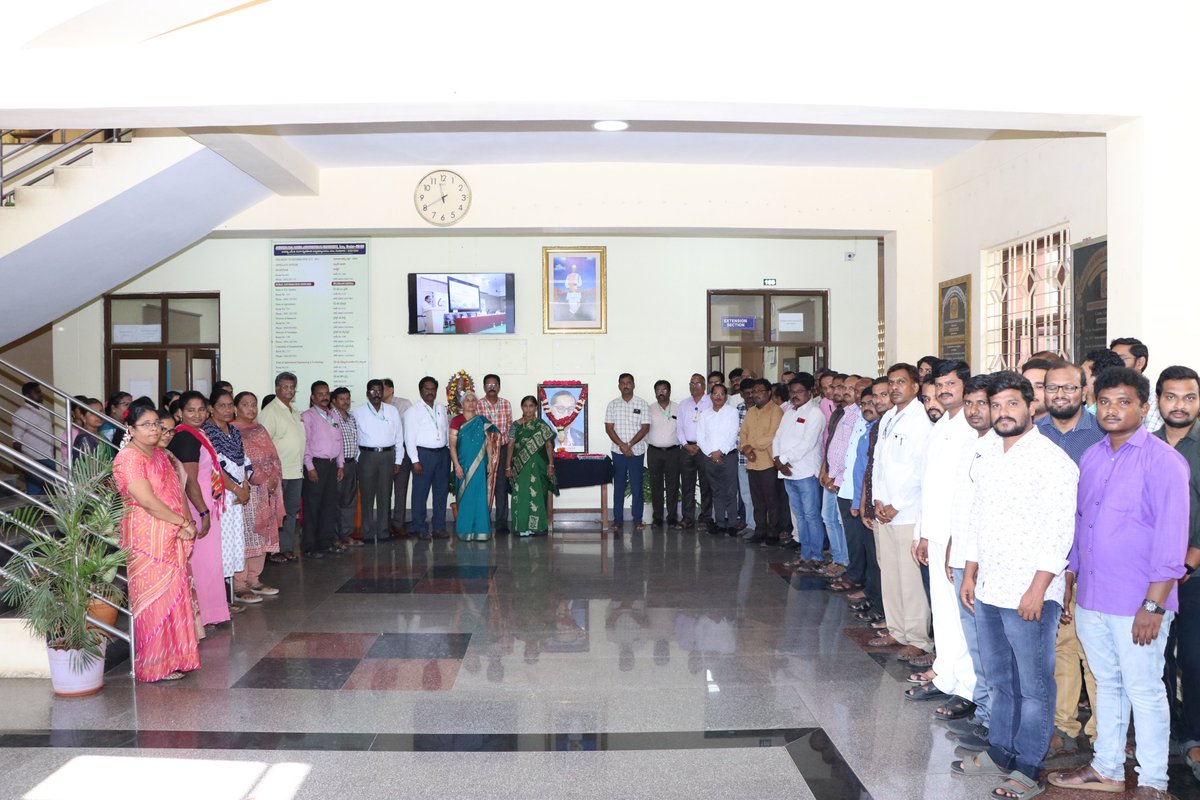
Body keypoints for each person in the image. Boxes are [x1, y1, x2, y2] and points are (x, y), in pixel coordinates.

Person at [1050, 366, 1189, 799]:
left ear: (1144, 409)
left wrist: (1154, 605)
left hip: (1138, 602)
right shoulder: (1092, 456)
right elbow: (1081, 524)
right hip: (1092, 596)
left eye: (1124, 402)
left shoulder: (1164, 461)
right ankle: (1107, 768)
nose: (1112, 410)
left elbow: (1171, 538)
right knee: (1107, 684)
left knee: (1144, 690)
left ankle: (1153, 781)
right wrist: (1070, 581)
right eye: (1105, 401)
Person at [957, 371, 1078, 800]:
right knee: (999, 679)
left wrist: (1038, 588)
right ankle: (1001, 750)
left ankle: (1028, 766)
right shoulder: (989, 452)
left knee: (1034, 686)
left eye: (1012, 403)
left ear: (1031, 406)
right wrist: (970, 571)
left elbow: (1060, 531)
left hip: (1029, 592)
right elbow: (978, 516)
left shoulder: (1052, 460)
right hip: (990, 586)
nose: (1003, 412)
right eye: (996, 405)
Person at [1035, 359, 1105, 756]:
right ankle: (1062, 724)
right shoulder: (1034, 434)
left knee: (1093, 649)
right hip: (1048, 558)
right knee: (1059, 644)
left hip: (1093, 558)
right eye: (1053, 388)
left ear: (1084, 392)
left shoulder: (1101, 435)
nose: (1060, 395)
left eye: (1069, 388)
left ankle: (1102, 732)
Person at [112, 402, 201, 683]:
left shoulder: (161, 455)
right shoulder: (128, 458)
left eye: (156, 424)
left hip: (172, 533)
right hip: (147, 539)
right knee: (154, 601)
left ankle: (177, 657)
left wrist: (187, 523)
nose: (153, 429)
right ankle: (154, 664)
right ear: (130, 429)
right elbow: (148, 502)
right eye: (146, 425)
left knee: (175, 597)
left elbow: (176, 492)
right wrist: (182, 522)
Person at [906, 361, 977, 700]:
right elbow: (929, 484)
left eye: (951, 383)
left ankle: (967, 688)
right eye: (940, 385)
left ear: (965, 386)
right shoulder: (940, 425)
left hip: (955, 538)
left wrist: (955, 540)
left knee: (960, 614)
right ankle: (946, 676)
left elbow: (966, 491)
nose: (945, 390)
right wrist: (921, 533)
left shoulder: (971, 427)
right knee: (943, 612)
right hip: (934, 534)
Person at [1153, 366, 1200, 783]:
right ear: (1158, 400)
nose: (1180, 405)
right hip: (1152, 576)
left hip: (1193, 577)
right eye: (1171, 396)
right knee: (1156, 658)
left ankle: (1193, 735)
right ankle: (1164, 730)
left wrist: (1191, 557)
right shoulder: (1145, 446)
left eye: (1189, 397)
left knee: (1194, 657)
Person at [870, 363, 933, 662]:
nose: (894, 387)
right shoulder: (888, 418)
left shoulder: (921, 420)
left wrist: (895, 504)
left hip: (907, 512)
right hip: (884, 510)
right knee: (890, 573)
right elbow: (879, 464)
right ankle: (896, 630)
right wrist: (878, 499)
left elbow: (918, 470)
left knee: (909, 579)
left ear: (915, 387)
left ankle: (918, 638)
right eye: (891, 382)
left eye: (901, 382)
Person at [166, 391, 229, 626]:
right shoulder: (185, 437)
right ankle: (202, 615)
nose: (197, 414)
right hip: (196, 506)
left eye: (201, 409)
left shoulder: (198, 433)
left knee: (210, 562)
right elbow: (189, 480)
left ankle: (211, 613)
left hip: (205, 503)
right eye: (190, 410)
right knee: (203, 563)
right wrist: (203, 512)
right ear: (179, 413)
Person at [201, 389, 251, 601]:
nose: (228, 409)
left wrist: (245, 486)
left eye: (230, 405)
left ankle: (228, 598)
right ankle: (218, 599)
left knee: (232, 544)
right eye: (222, 405)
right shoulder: (207, 432)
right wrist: (237, 489)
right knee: (219, 546)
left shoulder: (235, 431)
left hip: (237, 496)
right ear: (211, 408)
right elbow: (215, 467)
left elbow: (243, 460)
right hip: (220, 496)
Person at [772, 374, 825, 565]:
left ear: (810, 392)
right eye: (792, 391)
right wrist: (777, 459)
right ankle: (805, 554)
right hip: (787, 472)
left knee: (811, 515)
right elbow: (777, 437)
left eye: (800, 391)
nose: (795, 395)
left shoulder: (815, 414)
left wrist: (783, 460)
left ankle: (816, 556)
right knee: (799, 516)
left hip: (806, 473)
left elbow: (807, 444)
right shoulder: (788, 413)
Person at [231, 391, 284, 572]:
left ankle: (254, 578)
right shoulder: (232, 431)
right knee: (247, 534)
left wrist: (274, 477)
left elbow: (273, 455)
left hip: (267, 489)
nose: (251, 408)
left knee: (263, 534)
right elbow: (242, 461)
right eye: (245, 404)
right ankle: (241, 581)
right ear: (235, 408)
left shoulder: (260, 429)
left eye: (254, 404)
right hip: (248, 489)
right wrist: (263, 479)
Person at [257, 372, 306, 559]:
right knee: (275, 512)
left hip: (295, 471)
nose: (289, 390)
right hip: (278, 473)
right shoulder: (270, 411)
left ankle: (286, 548)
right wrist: (269, 474)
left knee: (291, 512)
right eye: (285, 387)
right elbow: (263, 445)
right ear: (277, 388)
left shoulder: (294, 410)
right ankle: (273, 551)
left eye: (292, 387)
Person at [355, 379, 405, 542]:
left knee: (385, 495)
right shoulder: (358, 412)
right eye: (373, 390)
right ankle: (368, 533)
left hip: (387, 456)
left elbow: (399, 436)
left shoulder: (392, 411)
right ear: (367, 393)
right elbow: (355, 437)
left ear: (383, 393)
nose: (376, 394)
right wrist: (358, 459)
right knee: (367, 496)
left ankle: (383, 531)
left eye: (379, 390)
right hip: (367, 457)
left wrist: (398, 460)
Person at [299, 380, 344, 559]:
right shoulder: (307, 416)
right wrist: (310, 467)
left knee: (329, 506)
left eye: (326, 393)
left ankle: (325, 543)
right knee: (312, 507)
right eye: (320, 394)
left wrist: (340, 465)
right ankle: (309, 546)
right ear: (312, 397)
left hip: (332, 465)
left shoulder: (333, 416)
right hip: (316, 465)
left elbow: (339, 442)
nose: (324, 397)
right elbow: (305, 443)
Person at [449, 391, 500, 542]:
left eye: (473, 400)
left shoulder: (481, 420)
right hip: (463, 465)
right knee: (466, 497)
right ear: (462, 404)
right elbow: (452, 446)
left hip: (480, 465)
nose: (471, 403)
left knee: (479, 497)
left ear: (477, 403)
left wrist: (490, 462)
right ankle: (465, 531)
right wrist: (457, 466)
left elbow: (488, 443)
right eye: (467, 400)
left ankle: (481, 531)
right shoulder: (456, 421)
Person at [405, 376, 451, 539]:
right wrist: (415, 460)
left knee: (441, 492)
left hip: (442, 454)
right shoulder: (413, 411)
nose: (430, 392)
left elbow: (445, 430)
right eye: (427, 389)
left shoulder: (441, 408)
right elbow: (409, 438)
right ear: (420, 391)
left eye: (433, 389)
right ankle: (419, 527)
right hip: (423, 455)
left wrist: (447, 450)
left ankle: (439, 527)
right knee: (420, 493)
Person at [506, 395, 559, 537]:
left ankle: (538, 527)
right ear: (522, 408)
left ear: (536, 408)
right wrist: (508, 466)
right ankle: (521, 527)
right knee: (521, 495)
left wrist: (551, 464)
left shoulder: (541, 425)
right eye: (525, 406)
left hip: (538, 466)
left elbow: (549, 445)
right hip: (520, 466)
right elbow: (510, 445)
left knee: (538, 495)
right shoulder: (515, 425)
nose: (528, 409)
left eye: (531, 406)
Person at [604, 373, 651, 533]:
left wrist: (629, 445)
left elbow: (645, 428)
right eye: (623, 383)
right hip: (618, 452)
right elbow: (609, 428)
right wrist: (622, 446)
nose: (626, 385)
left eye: (628, 383)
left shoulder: (642, 404)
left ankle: (637, 519)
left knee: (637, 486)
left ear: (633, 385)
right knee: (619, 486)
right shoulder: (612, 405)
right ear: (619, 385)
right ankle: (618, 520)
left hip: (636, 452)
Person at [740, 378, 783, 544]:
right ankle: (760, 531)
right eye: (754, 392)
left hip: (769, 463)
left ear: (769, 392)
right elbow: (743, 433)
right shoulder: (751, 412)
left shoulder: (776, 411)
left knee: (771, 500)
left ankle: (773, 533)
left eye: (760, 391)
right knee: (757, 500)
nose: (756, 395)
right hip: (752, 463)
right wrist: (744, 447)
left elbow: (773, 435)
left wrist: (751, 446)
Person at [697, 383, 739, 533]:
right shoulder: (704, 415)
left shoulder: (732, 412)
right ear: (711, 396)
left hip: (728, 456)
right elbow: (700, 437)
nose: (718, 397)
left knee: (730, 491)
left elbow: (733, 435)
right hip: (709, 458)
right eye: (715, 394)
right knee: (716, 491)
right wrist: (711, 453)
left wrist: (720, 452)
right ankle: (720, 523)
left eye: (722, 394)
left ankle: (732, 524)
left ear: (726, 397)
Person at [478, 374, 513, 535]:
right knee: (484, 486)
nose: (491, 388)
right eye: (488, 385)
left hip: (503, 449)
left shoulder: (506, 404)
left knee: (501, 487)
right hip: (484, 451)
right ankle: (483, 521)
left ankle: (501, 523)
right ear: (484, 387)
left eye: (494, 385)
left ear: (499, 387)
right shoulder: (478, 405)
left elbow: (510, 429)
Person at [677, 373, 713, 529]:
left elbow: (713, 427)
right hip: (687, 449)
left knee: (706, 484)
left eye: (697, 383)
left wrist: (701, 445)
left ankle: (705, 517)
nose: (694, 386)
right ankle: (688, 518)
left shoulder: (711, 402)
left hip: (704, 449)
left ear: (704, 386)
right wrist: (686, 445)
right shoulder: (683, 404)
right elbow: (679, 427)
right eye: (691, 383)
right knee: (687, 485)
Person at [645, 379, 681, 528]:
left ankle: (672, 517)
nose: (661, 393)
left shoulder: (678, 408)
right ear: (655, 393)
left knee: (673, 486)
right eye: (658, 390)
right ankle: (658, 517)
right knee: (656, 486)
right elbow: (644, 430)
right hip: (654, 452)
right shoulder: (649, 409)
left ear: (669, 392)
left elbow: (682, 429)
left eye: (664, 390)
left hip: (673, 452)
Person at [331, 387, 362, 548]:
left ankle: (346, 534)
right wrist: (339, 465)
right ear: (334, 401)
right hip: (338, 466)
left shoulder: (351, 418)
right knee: (336, 501)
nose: (345, 402)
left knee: (349, 501)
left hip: (351, 464)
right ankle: (335, 536)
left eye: (347, 398)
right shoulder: (331, 417)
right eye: (341, 399)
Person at [1110, 336, 1164, 431]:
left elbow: (1150, 436)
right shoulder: (1105, 395)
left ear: (1140, 362)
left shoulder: (1154, 401)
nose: (1115, 364)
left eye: (1121, 359)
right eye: (1112, 359)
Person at [12, 381, 57, 495]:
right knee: (36, 493)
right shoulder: (21, 413)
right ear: (27, 396)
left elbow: (49, 434)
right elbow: (16, 441)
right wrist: (19, 461)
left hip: (49, 457)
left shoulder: (44, 410)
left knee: (51, 493)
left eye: (40, 391)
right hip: (33, 459)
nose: (41, 394)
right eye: (37, 392)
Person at [382, 378, 413, 536]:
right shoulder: (376, 407)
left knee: (401, 489)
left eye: (383, 388)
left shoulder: (404, 404)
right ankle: (385, 524)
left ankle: (398, 523)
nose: (380, 391)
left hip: (402, 450)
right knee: (384, 489)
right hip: (384, 452)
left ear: (391, 389)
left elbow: (409, 427)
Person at [70, 398, 116, 472]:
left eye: (100, 411)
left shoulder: (100, 435)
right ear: (83, 417)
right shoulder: (84, 439)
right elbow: (90, 471)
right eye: (93, 413)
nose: (98, 415)